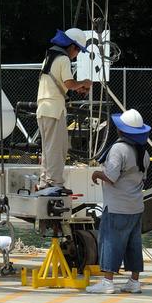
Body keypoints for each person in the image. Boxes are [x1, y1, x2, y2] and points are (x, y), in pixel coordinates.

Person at [88, 108, 152, 294]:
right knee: (133, 244)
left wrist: (97, 174)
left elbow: (111, 176)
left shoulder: (118, 149)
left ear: (122, 130)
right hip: (135, 205)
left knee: (110, 241)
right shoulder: (143, 152)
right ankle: (134, 281)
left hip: (117, 206)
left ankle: (108, 282)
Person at [35, 28, 93, 192]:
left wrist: (78, 86)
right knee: (58, 148)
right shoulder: (64, 59)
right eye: (78, 50)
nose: (77, 54)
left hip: (44, 108)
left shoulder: (49, 57)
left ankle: (45, 182)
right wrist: (85, 82)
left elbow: (59, 84)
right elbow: (69, 84)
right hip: (54, 109)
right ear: (72, 47)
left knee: (48, 148)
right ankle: (55, 183)